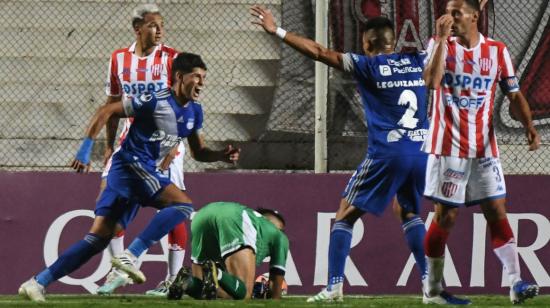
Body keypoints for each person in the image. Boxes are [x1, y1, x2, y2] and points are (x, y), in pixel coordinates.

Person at [18, 53, 239, 302]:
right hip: (130, 166)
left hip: (137, 173)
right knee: (183, 204)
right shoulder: (155, 100)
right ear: (179, 77)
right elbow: (107, 110)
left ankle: (37, 282)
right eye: (196, 76)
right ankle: (130, 256)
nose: (201, 82)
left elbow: (199, 152)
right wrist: (86, 148)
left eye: (204, 78)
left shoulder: (195, 112)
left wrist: (221, 154)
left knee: (97, 239)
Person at [251, 6, 431, 302]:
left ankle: (334, 286)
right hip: (422, 152)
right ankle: (429, 281)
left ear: (367, 44)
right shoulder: (418, 60)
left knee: (345, 215)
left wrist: (278, 31)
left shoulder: (366, 65)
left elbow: (320, 52)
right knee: (409, 212)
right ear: (392, 41)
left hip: (388, 152)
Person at [421, 0, 540, 305]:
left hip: (484, 147)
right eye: (446, 12)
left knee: (497, 211)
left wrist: (529, 126)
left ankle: (515, 283)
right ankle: (432, 289)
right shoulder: (439, 44)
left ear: (475, 16)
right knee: (445, 217)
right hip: (447, 147)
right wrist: (442, 42)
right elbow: (431, 82)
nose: (449, 17)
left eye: (456, 12)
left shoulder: (497, 51)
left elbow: (513, 93)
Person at [96, 4, 202, 296]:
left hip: (167, 142)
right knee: (110, 199)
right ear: (138, 28)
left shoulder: (171, 58)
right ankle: (119, 271)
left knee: (175, 207)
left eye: (162, 25)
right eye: (154, 25)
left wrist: (174, 146)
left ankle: (172, 278)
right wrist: (107, 146)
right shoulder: (118, 58)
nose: (159, 31)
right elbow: (112, 104)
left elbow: (182, 102)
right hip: (132, 141)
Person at [167, 202, 289, 300]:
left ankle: (187, 281)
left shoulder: (256, 223)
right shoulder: (279, 236)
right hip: (234, 217)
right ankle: (217, 273)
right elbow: (276, 281)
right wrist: (275, 299)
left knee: (204, 290)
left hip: (202, 215)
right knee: (245, 293)